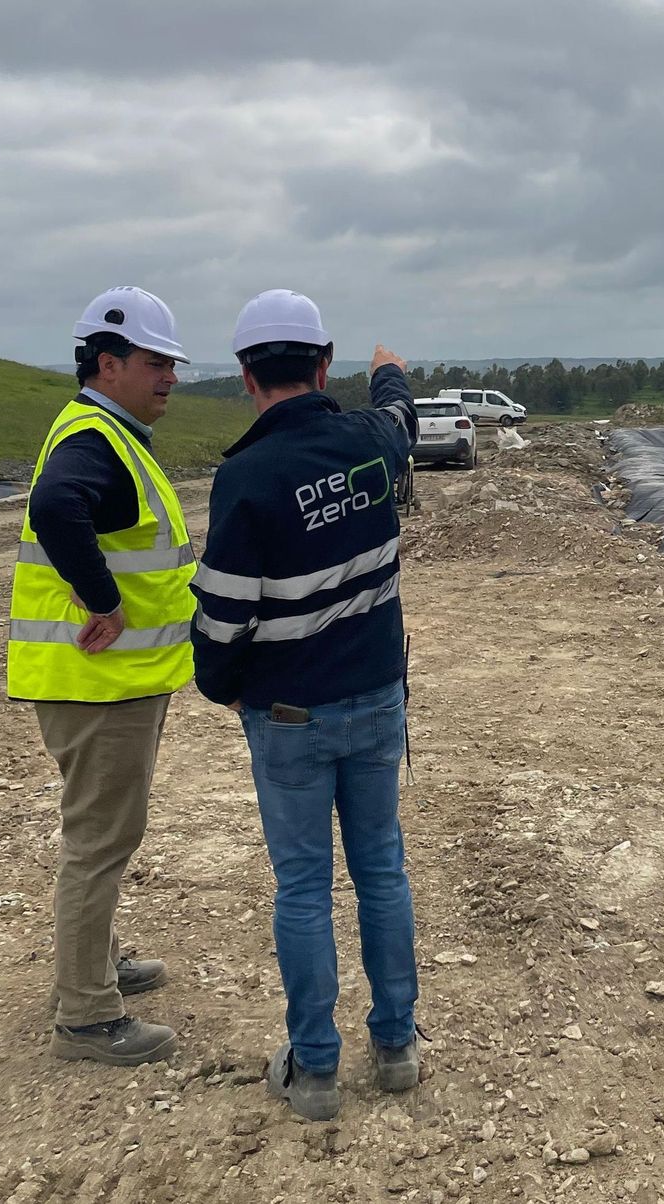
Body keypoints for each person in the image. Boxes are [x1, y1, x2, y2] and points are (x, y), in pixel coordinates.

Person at [191, 289, 420, 1122]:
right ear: (324, 367)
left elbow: (224, 616)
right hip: (375, 703)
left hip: (288, 717)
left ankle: (315, 1072)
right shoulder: (371, 443)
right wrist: (390, 376)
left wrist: (219, 685)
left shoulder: (247, 477)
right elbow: (400, 420)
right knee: (382, 869)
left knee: (303, 887)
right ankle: (397, 1048)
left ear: (248, 377)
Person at [7, 286, 196, 1066]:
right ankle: (86, 1016)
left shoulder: (106, 433)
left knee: (99, 832)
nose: (170, 378)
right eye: (156, 363)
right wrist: (105, 599)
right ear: (108, 365)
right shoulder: (94, 439)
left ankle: (93, 963)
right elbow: (56, 507)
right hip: (97, 682)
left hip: (105, 681)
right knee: (101, 838)